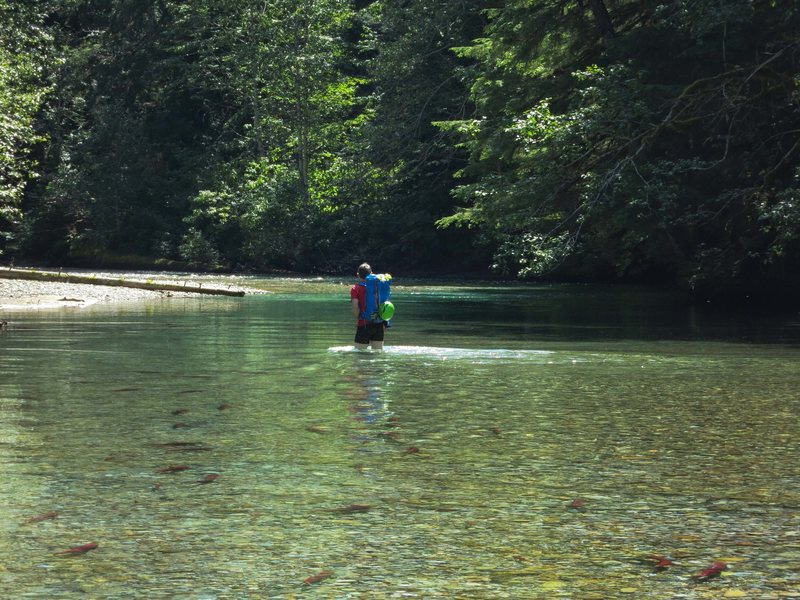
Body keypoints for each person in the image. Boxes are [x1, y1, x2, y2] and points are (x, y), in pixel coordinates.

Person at [350, 262, 387, 350]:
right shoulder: (379, 287)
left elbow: (355, 307)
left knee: (359, 356)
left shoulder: (355, 289)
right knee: (378, 355)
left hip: (364, 324)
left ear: (358, 275)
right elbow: (385, 305)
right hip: (378, 323)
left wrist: (357, 320)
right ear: (371, 273)